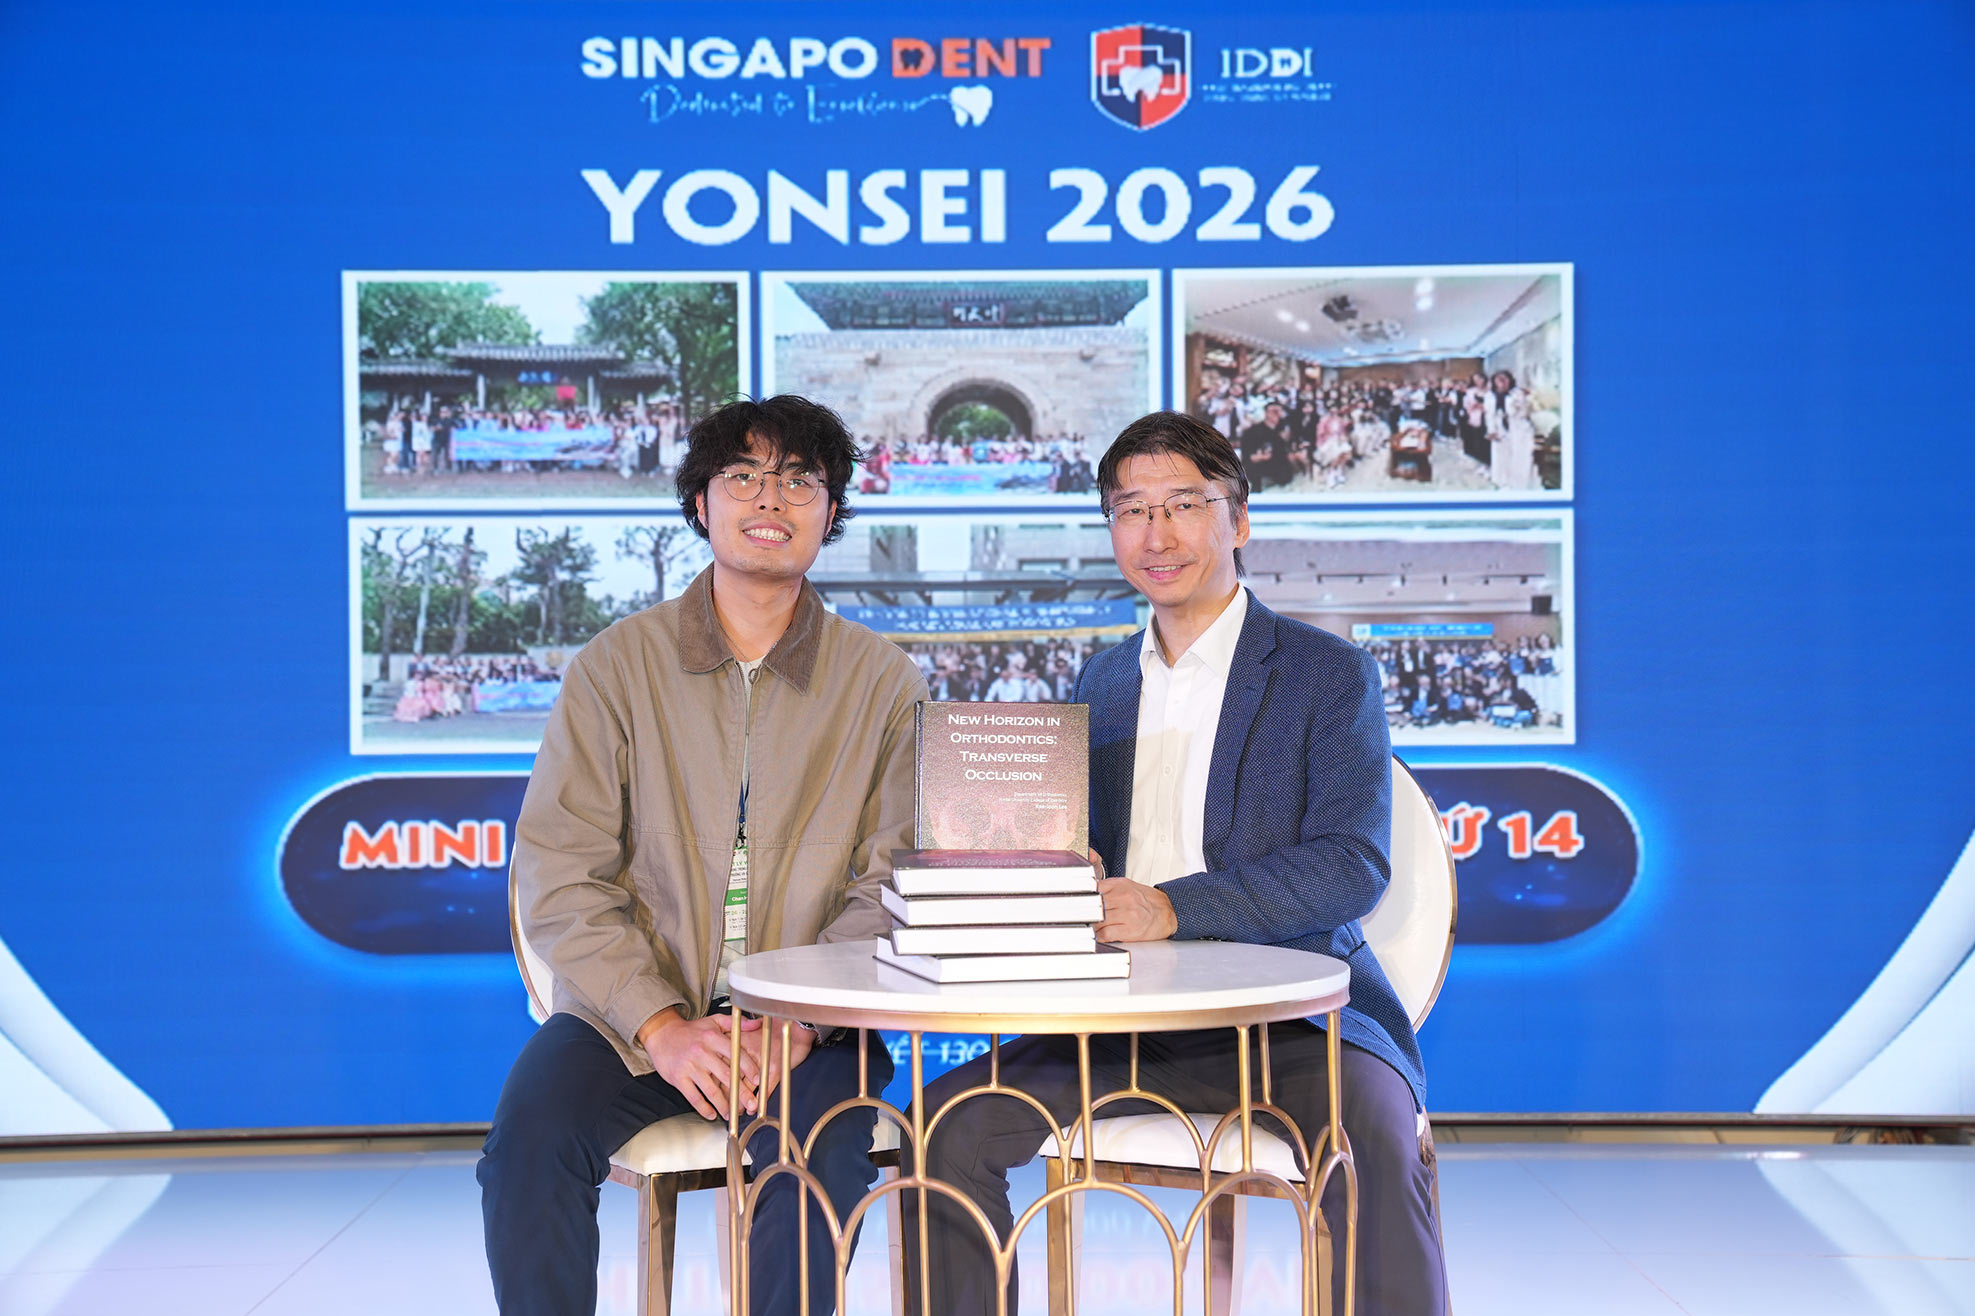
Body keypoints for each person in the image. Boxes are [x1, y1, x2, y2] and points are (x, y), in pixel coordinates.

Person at [904, 410, 1450, 1316]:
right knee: (941, 1130)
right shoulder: (1102, 683)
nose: (1155, 535)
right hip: (1122, 1024)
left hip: (1291, 1022)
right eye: (1130, 511)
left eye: (1183, 505)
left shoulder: (1326, 674)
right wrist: (1046, 872)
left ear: (1238, 519)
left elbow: (1351, 866)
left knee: (1377, 1146)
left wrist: (1170, 907)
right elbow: (1087, 863)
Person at [478, 395, 929, 1316]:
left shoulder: (883, 681)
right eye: (743, 476)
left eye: (799, 481)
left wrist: (798, 1022)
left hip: (815, 1024)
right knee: (528, 1141)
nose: (770, 499)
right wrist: (660, 1026)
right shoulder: (615, 666)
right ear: (701, 503)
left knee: (813, 1160)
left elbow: (892, 880)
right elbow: (560, 870)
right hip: (633, 1019)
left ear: (830, 513)